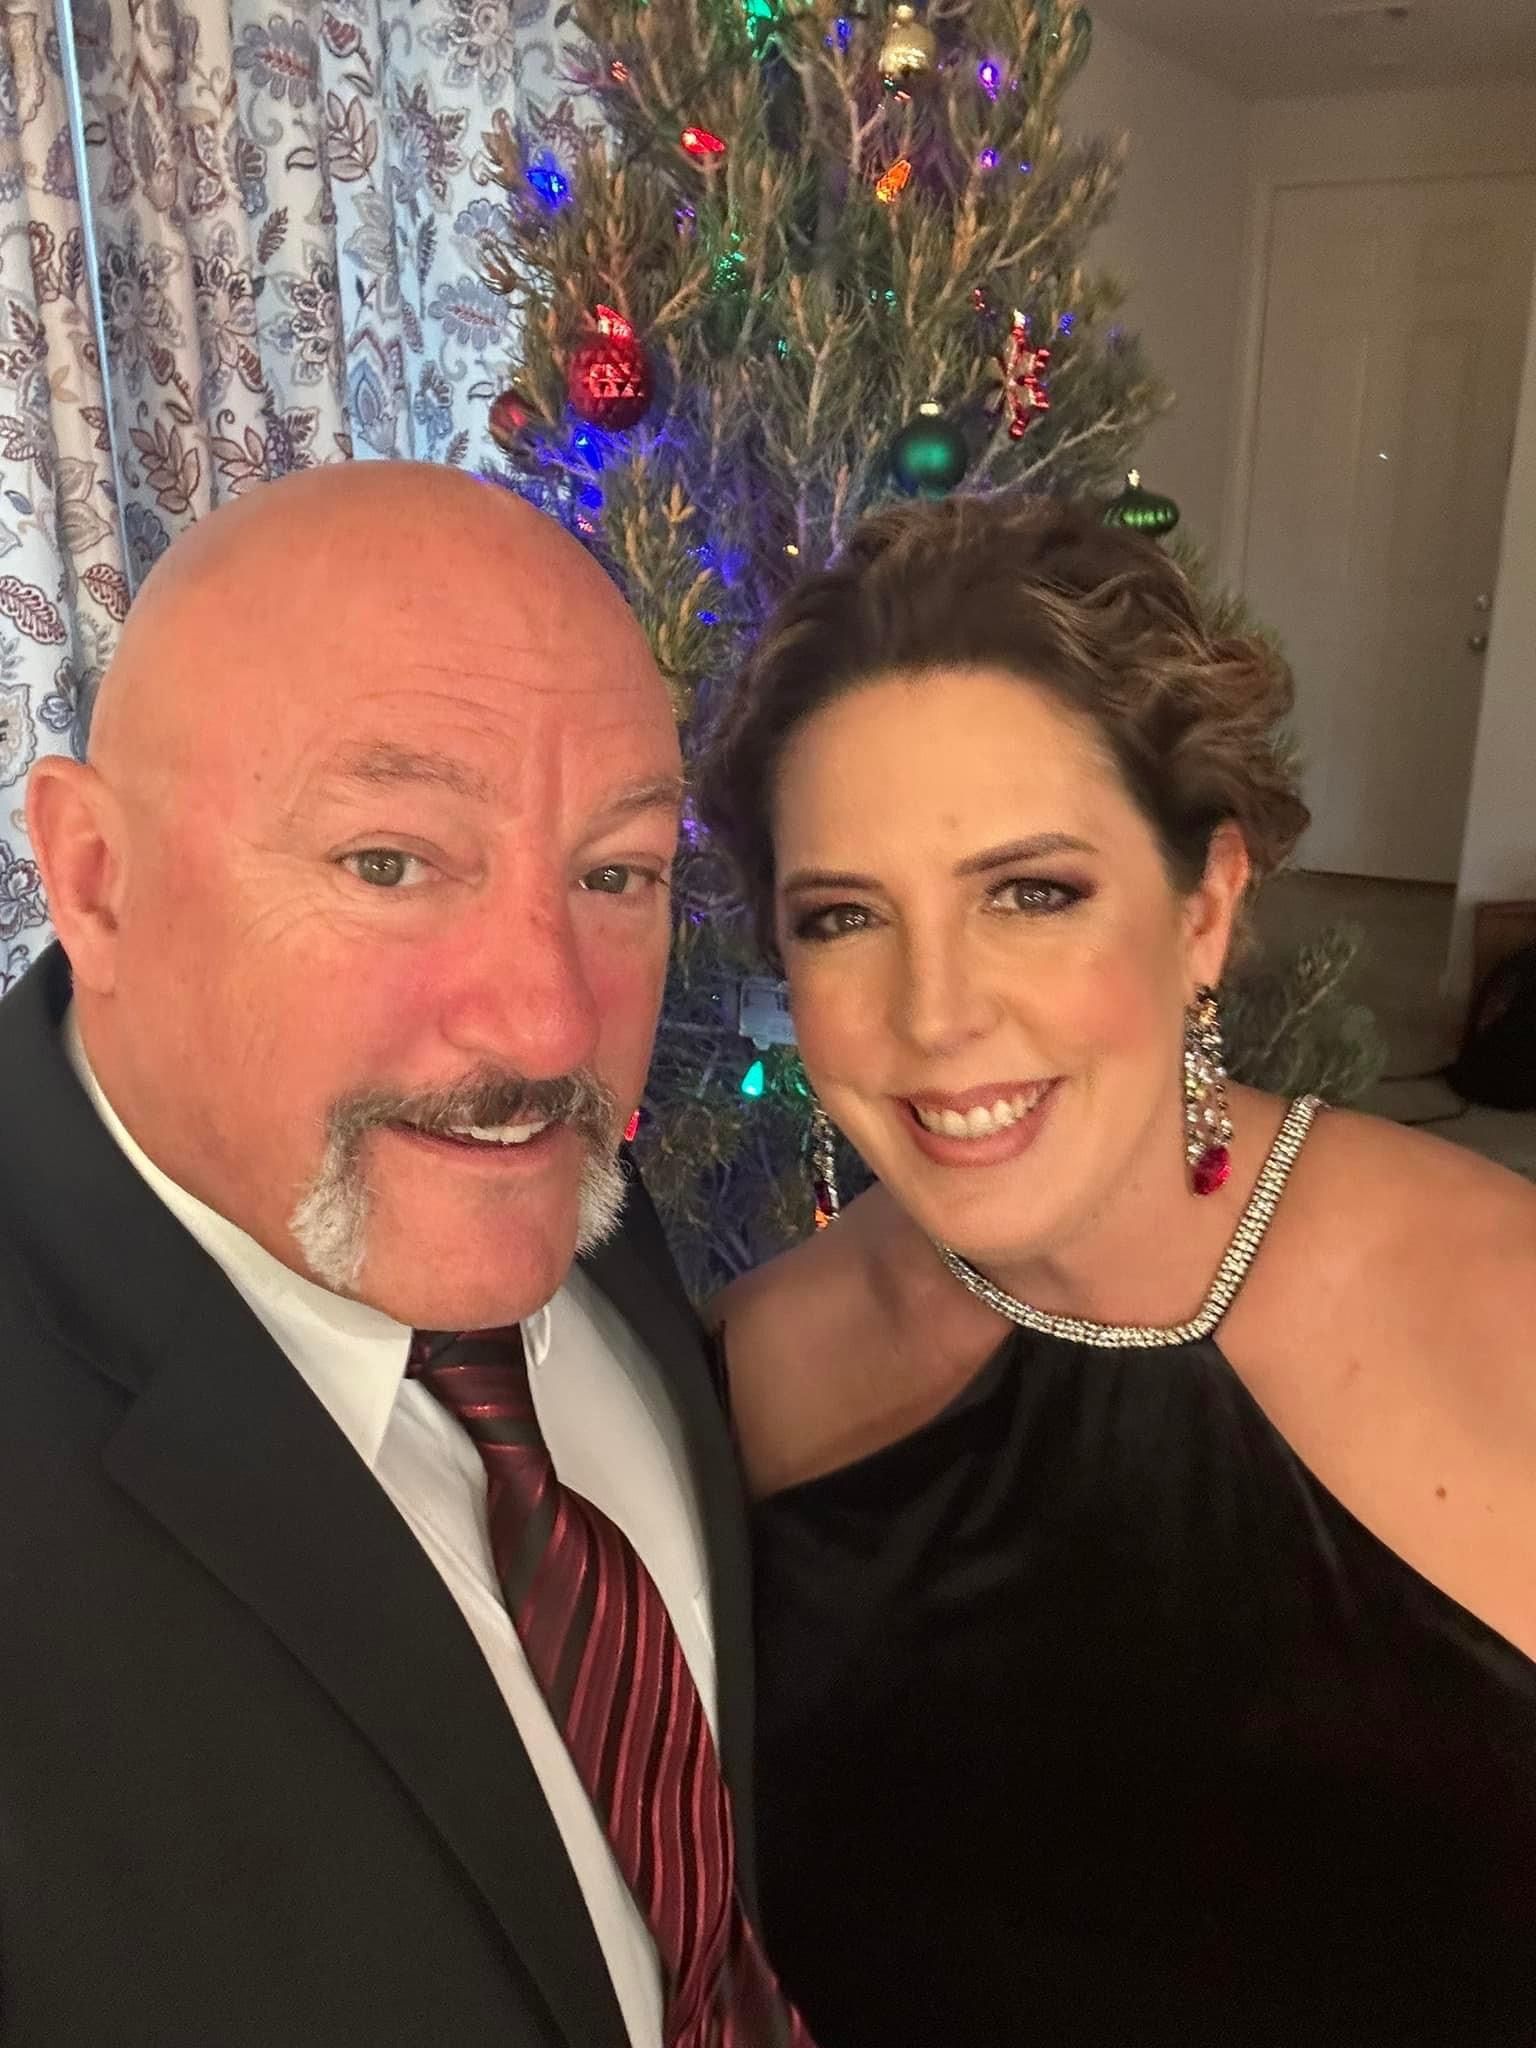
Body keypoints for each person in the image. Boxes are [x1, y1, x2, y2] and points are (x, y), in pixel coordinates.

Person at [699, 495, 1536, 2047]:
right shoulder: (742, 1385)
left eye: (1032, 892)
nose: (937, 1014)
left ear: (1207, 905)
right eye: (844, 918)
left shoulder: (1512, 1315)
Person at [0, 464, 811, 2048]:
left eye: (616, 874)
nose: (550, 1020)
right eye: (388, 862)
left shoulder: (522, 1175)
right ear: (94, 876)